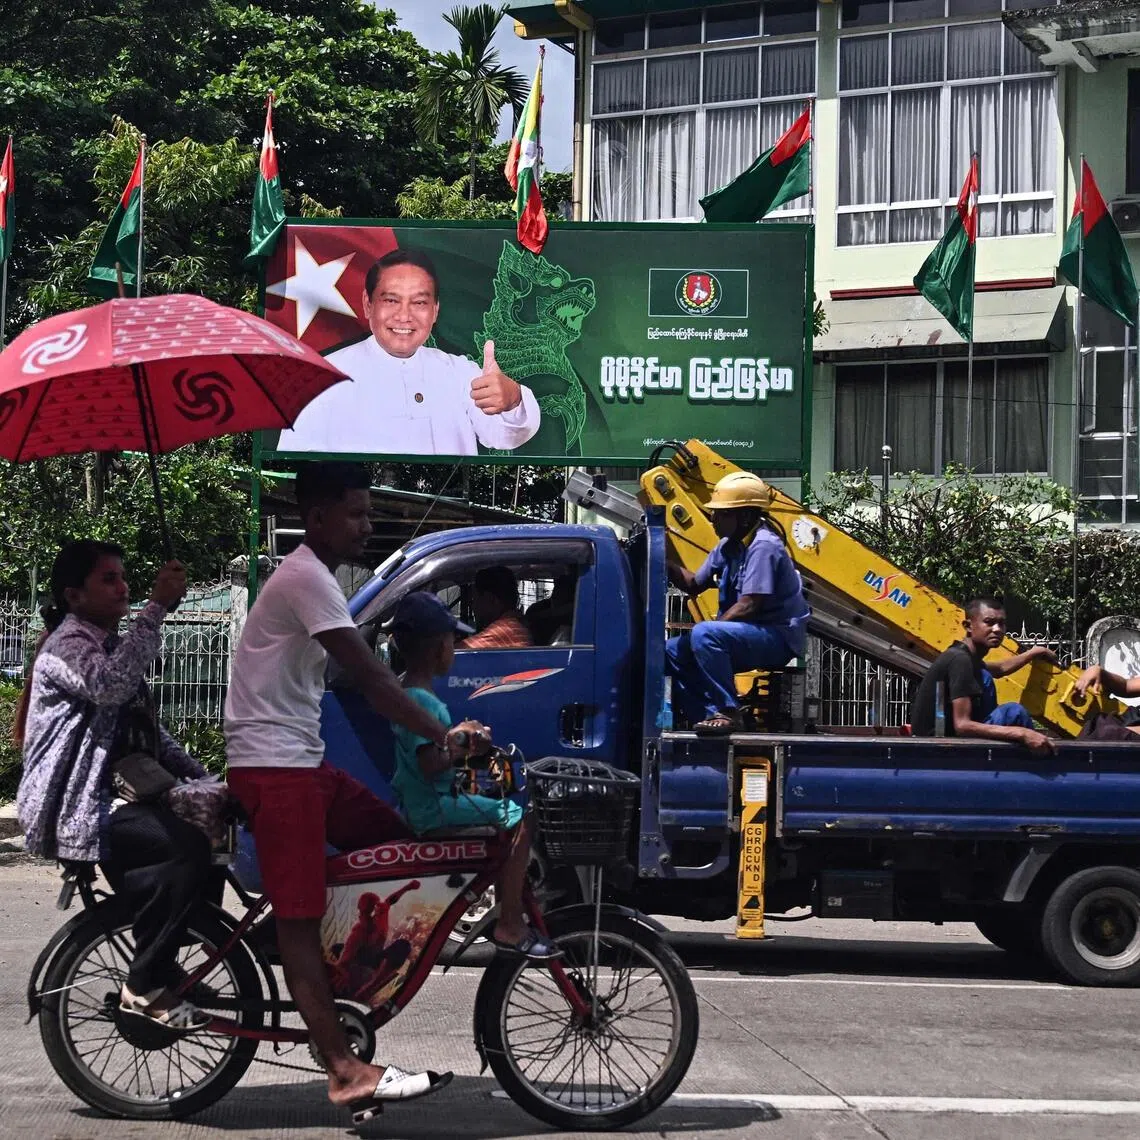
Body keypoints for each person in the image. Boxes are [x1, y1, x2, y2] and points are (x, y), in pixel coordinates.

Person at [225, 462, 476, 1121]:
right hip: (276, 771)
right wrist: (437, 733)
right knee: (300, 922)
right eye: (357, 513)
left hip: (299, 764)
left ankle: (335, 982)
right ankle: (341, 1069)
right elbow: (369, 677)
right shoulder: (307, 577)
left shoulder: (320, 580)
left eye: (370, 512)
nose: (367, 524)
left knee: (398, 843)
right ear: (316, 516)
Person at [15, 540, 213, 1031]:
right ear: (73, 595)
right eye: (108, 579)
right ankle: (145, 985)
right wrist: (157, 607)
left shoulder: (104, 642)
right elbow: (112, 686)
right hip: (75, 807)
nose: (123, 587)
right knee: (183, 844)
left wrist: (204, 778)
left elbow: (147, 733)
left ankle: (167, 960)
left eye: (122, 576)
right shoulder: (68, 645)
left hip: (114, 798)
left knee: (215, 826)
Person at [387, 591, 560, 960]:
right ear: (438, 648)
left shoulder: (410, 694)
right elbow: (430, 763)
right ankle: (510, 921)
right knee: (520, 818)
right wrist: (462, 742)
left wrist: (465, 742)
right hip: (433, 808)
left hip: (426, 802)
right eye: (452, 642)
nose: (455, 649)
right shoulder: (422, 701)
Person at [277, 248, 541, 456]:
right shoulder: (322, 376)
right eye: (391, 300)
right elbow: (297, 464)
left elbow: (506, 437)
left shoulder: (462, 374)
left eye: (419, 303)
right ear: (368, 305)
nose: (404, 316)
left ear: (435, 311)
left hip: (449, 519)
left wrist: (513, 398)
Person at [665, 472, 811, 734]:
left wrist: (710, 635)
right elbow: (693, 584)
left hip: (776, 637)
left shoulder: (764, 547)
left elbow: (749, 605)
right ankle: (709, 717)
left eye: (722, 514)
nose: (713, 519)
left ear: (745, 517)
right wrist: (660, 558)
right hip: (746, 634)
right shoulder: (727, 546)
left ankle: (728, 711)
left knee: (705, 635)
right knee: (669, 651)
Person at [909, 596, 1057, 754]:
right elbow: (962, 725)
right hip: (941, 750)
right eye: (989, 622)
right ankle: (1034, 767)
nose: (998, 629)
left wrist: (1034, 652)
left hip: (943, 742)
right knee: (1014, 712)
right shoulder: (960, 660)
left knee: (985, 675)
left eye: (1001, 623)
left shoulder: (966, 657)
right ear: (968, 626)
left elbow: (1000, 668)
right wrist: (1023, 733)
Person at [329, 882, 419, 1004]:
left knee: (402, 945)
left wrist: (407, 888)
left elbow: (390, 900)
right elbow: (346, 956)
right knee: (337, 948)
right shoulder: (359, 930)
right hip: (360, 959)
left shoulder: (380, 915)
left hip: (374, 958)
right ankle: (364, 985)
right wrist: (341, 971)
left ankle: (371, 985)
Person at [458, 565, 533, 650]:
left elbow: (451, 654)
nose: (473, 607)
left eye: (474, 600)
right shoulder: (515, 624)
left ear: (491, 599)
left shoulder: (505, 629)